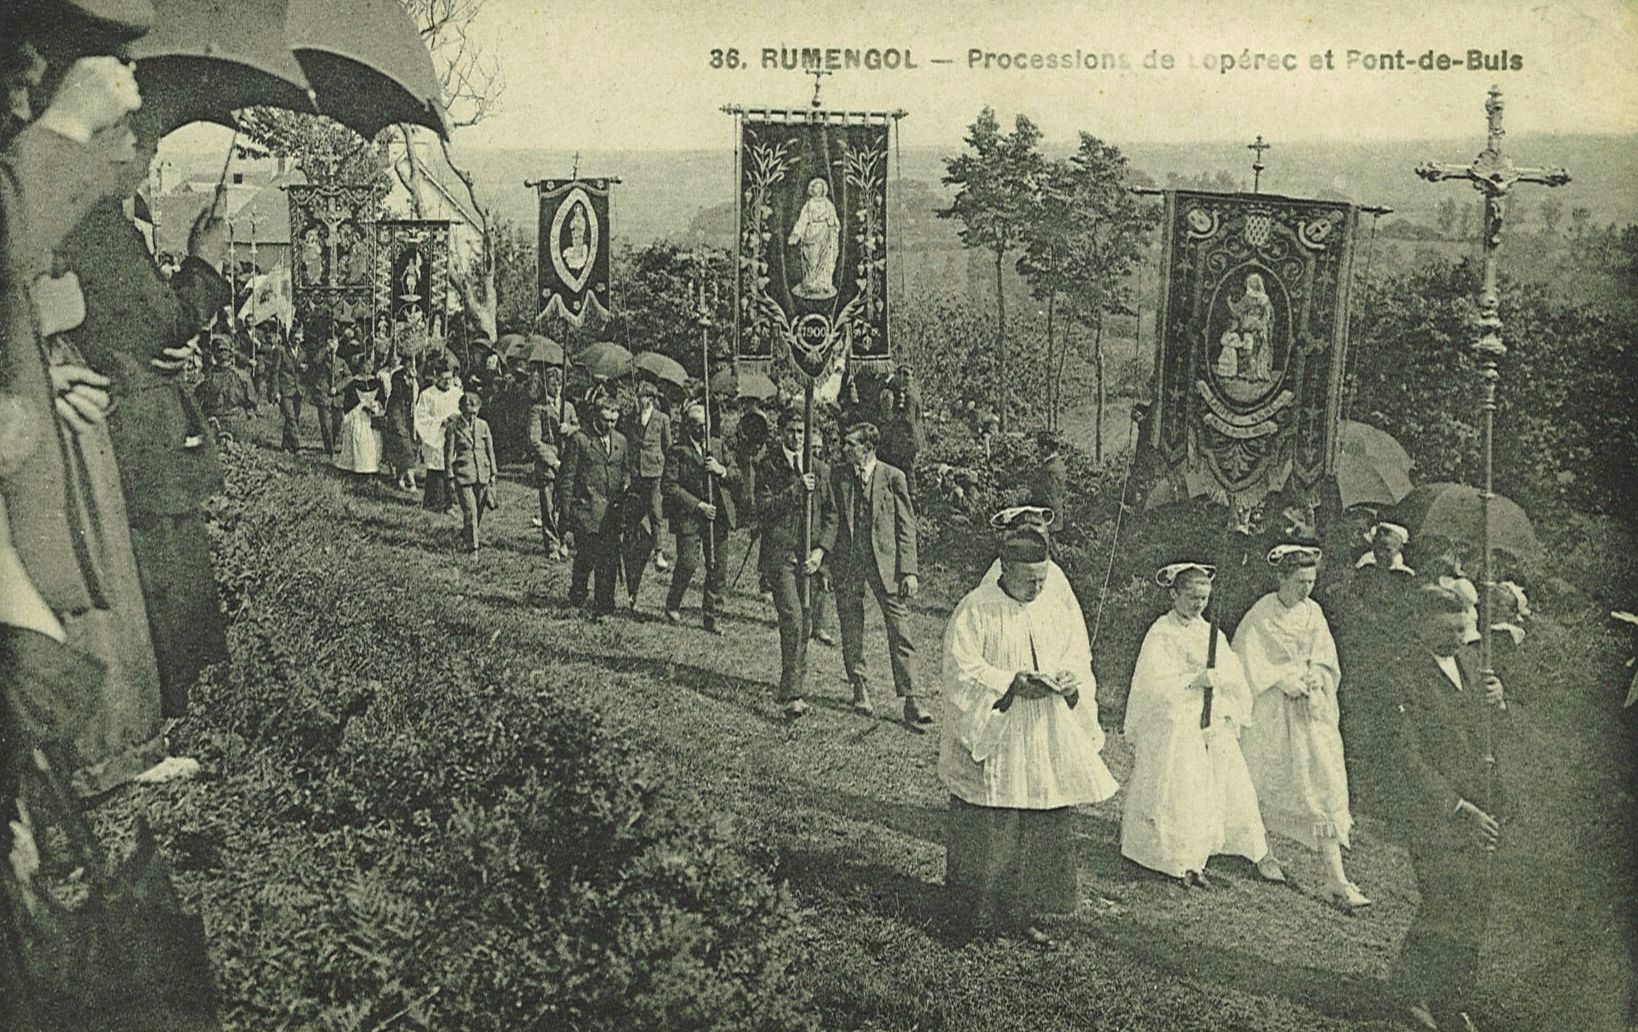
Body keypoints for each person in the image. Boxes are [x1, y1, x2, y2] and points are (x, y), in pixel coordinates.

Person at [940, 516, 1119, 943]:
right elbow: (961, 671)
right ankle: (983, 919)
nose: (1036, 589)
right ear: (1003, 571)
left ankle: (1028, 914)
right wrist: (1010, 685)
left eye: (1041, 579)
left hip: (1041, 733)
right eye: (1027, 581)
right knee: (996, 826)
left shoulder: (1054, 609)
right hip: (999, 732)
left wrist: (1070, 684)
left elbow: (1078, 659)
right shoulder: (976, 609)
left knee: (1038, 823)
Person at [1382, 585, 1509, 1032]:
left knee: (1474, 903)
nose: (1459, 637)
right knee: (1443, 900)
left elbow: (1486, 733)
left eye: (1463, 628)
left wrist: (1498, 701)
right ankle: (1409, 993)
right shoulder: (1402, 674)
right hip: (1434, 811)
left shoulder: (1473, 666)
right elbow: (1404, 758)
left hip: (1481, 804)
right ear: (1422, 625)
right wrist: (1458, 808)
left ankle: (1452, 999)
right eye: (1450, 629)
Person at [1120, 563, 1287, 887]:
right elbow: (1152, 683)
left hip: (1210, 715)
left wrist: (1220, 686)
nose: (1198, 605)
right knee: (1183, 778)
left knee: (1228, 772)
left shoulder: (1211, 634)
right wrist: (1192, 680)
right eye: (1192, 597)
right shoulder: (1162, 632)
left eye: (1204, 599)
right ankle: (1176, 857)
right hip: (1175, 715)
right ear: (1174, 595)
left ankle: (1251, 850)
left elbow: (1233, 674)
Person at [1234, 544, 1369, 908]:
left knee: (1324, 788)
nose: (1306, 589)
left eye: (1310, 581)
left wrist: (1314, 678)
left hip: (1311, 712)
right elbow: (1246, 661)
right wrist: (1280, 680)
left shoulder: (1315, 614)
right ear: (1281, 578)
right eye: (1298, 582)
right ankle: (1261, 851)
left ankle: (1336, 878)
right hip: (1273, 712)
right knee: (1267, 778)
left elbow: (1326, 660)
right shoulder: (1262, 614)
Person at [831, 421, 928, 725]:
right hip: (849, 562)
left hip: (885, 564)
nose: (844, 448)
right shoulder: (839, 476)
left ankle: (912, 700)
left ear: (867, 448)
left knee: (900, 629)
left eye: (850, 444)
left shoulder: (892, 477)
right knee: (851, 622)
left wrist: (909, 571)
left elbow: (906, 527)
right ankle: (859, 686)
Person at [756, 408, 836, 718]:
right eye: (790, 430)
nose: (796, 437)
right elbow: (763, 508)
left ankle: (792, 681)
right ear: (780, 432)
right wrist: (795, 490)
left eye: (801, 432)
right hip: (780, 554)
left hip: (810, 558)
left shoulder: (821, 469)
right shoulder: (770, 466)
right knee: (792, 618)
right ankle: (792, 695)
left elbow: (831, 516)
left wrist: (820, 552)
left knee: (805, 624)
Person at [662, 401, 738, 633]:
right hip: (690, 516)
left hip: (718, 516)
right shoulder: (678, 451)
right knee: (688, 562)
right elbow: (669, 486)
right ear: (687, 425)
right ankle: (673, 603)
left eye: (704, 424)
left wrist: (721, 470)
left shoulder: (717, 446)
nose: (700, 429)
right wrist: (697, 505)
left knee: (718, 568)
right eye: (695, 424)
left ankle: (712, 616)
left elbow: (737, 475)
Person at [561, 389, 628, 620]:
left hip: (611, 514)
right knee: (586, 557)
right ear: (595, 417)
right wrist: (566, 515)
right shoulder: (580, 440)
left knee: (608, 562)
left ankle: (603, 608)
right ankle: (578, 594)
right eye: (605, 420)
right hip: (585, 511)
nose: (609, 425)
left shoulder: (621, 442)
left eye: (614, 420)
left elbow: (625, 472)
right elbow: (567, 479)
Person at [620, 379, 672, 606]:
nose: (640, 401)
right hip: (636, 471)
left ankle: (659, 552)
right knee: (631, 513)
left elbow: (667, 446)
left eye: (643, 398)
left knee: (655, 511)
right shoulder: (632, 419)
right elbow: (629, 443)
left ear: (650, 399)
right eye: (638, 398)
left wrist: (667, 472)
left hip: (655, 471)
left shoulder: (662, 419)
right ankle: (632, 547)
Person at [525, 365, 575, 560]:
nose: (557, 388)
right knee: (548, 507)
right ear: (546, 386)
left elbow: (578, 428)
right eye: (553, 384)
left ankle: (562, 539)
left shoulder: (568, 407)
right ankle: (552, 544)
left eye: (560, 384)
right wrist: (552, 461)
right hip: (548, 464)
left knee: (565, 505)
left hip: (567, 461)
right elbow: (534, 440)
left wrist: (568, 429)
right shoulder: (538, 409)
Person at [444, 391, 497, 554]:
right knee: (471, 511)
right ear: (461, 410)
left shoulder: (483, 425)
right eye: (468, 414)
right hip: (463, 475)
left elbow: (490, 450)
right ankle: (473, 549)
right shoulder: (454, 427)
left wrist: (493, 473)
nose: (471, 417)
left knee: (478, 511)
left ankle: (467, 533)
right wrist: (450, 476)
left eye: (474, 413)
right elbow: (448, 452)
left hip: (482, 473)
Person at [414, 359, 462, 512]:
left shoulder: (457, 393)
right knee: (436, 470)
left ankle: (450, 504)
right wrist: (440, 422)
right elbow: (421, 417)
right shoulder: (428, 395)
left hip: (453, 438)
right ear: (436, 376)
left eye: (450, 378)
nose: (448, 382)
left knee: (452, 468)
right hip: (436, 436)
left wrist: (457, 419)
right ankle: (434, 504)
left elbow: (465, 411)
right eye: (445, 379)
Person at [333, 354, 383, 486]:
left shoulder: (376, 382)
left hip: (372, 417)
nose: (370, 367)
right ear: (360, 366)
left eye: (372, 364)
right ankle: (357, 470)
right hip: (358, 416)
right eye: (367, 364)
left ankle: (371, 471)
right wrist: (361, 406)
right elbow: (349, 402)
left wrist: (375, 405)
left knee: (373, 443)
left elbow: (382, 399)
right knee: (358, 441)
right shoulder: (354, 382)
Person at [194, 336, 255, 443]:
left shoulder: (207, 378)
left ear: (214, 356)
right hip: (237, 424)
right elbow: (252, 402)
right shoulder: (243, 376)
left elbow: (197, 399)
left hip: (213, 424)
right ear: (231, 355)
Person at [787, 176, 839, 300]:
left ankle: (822, 283)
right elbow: (802, 220)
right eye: (816, 187)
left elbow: (834, 219)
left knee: (824, 259)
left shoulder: (828, 204)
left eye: (820, 188)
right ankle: (810, 282)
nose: (818, 190)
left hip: (824, 234)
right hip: (810, 233)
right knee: (811, 259)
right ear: (812, 190)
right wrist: (796, 234)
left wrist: (832, 224)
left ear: (823, 190)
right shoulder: (809, 204)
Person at [381, 351, 419, 491]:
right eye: (409, 363)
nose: (411, 365)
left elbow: (417, 393)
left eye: (413, 363)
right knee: (404, 446)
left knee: (411, 447)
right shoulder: (398, 376)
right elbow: (397, 394)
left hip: (410, 415)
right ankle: (410, 480)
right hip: (397, 412)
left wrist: (414, 380)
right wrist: (407, 381)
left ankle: (400, 478)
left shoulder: (415, 376)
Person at [307, 332, 346, 457]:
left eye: (336, 344)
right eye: (331, 343)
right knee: (326, 424)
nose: (334, 346)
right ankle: (330, 451)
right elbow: (315, 362)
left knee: (337, 423)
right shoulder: (322, 358)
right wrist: (327, 348)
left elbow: (349, 377)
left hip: (337, 399)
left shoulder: (341, 362)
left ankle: (332, 444)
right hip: (323, 396)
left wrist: (338, 388)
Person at [270, 328, 306, 454]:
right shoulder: (281, 350)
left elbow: (304, 370)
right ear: (290, 337)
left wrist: (304, 368)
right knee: (290, 418)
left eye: (300, 339)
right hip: (285, 390)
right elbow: (274, 372)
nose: (297, 342)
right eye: (295, 339)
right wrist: (276, 391)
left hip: (297, 391)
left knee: (293, 418)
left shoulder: (301, 353)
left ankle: (285, 445)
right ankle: (298, 447)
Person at [1025, 430, 1068, 524]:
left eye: (1039, 448)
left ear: (1045, 448)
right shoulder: (1058, 464)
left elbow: (1048, 498)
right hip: (1055, 516)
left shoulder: (1050, 470)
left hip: (1049, 520)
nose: (1038, 452)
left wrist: (1029, 499)